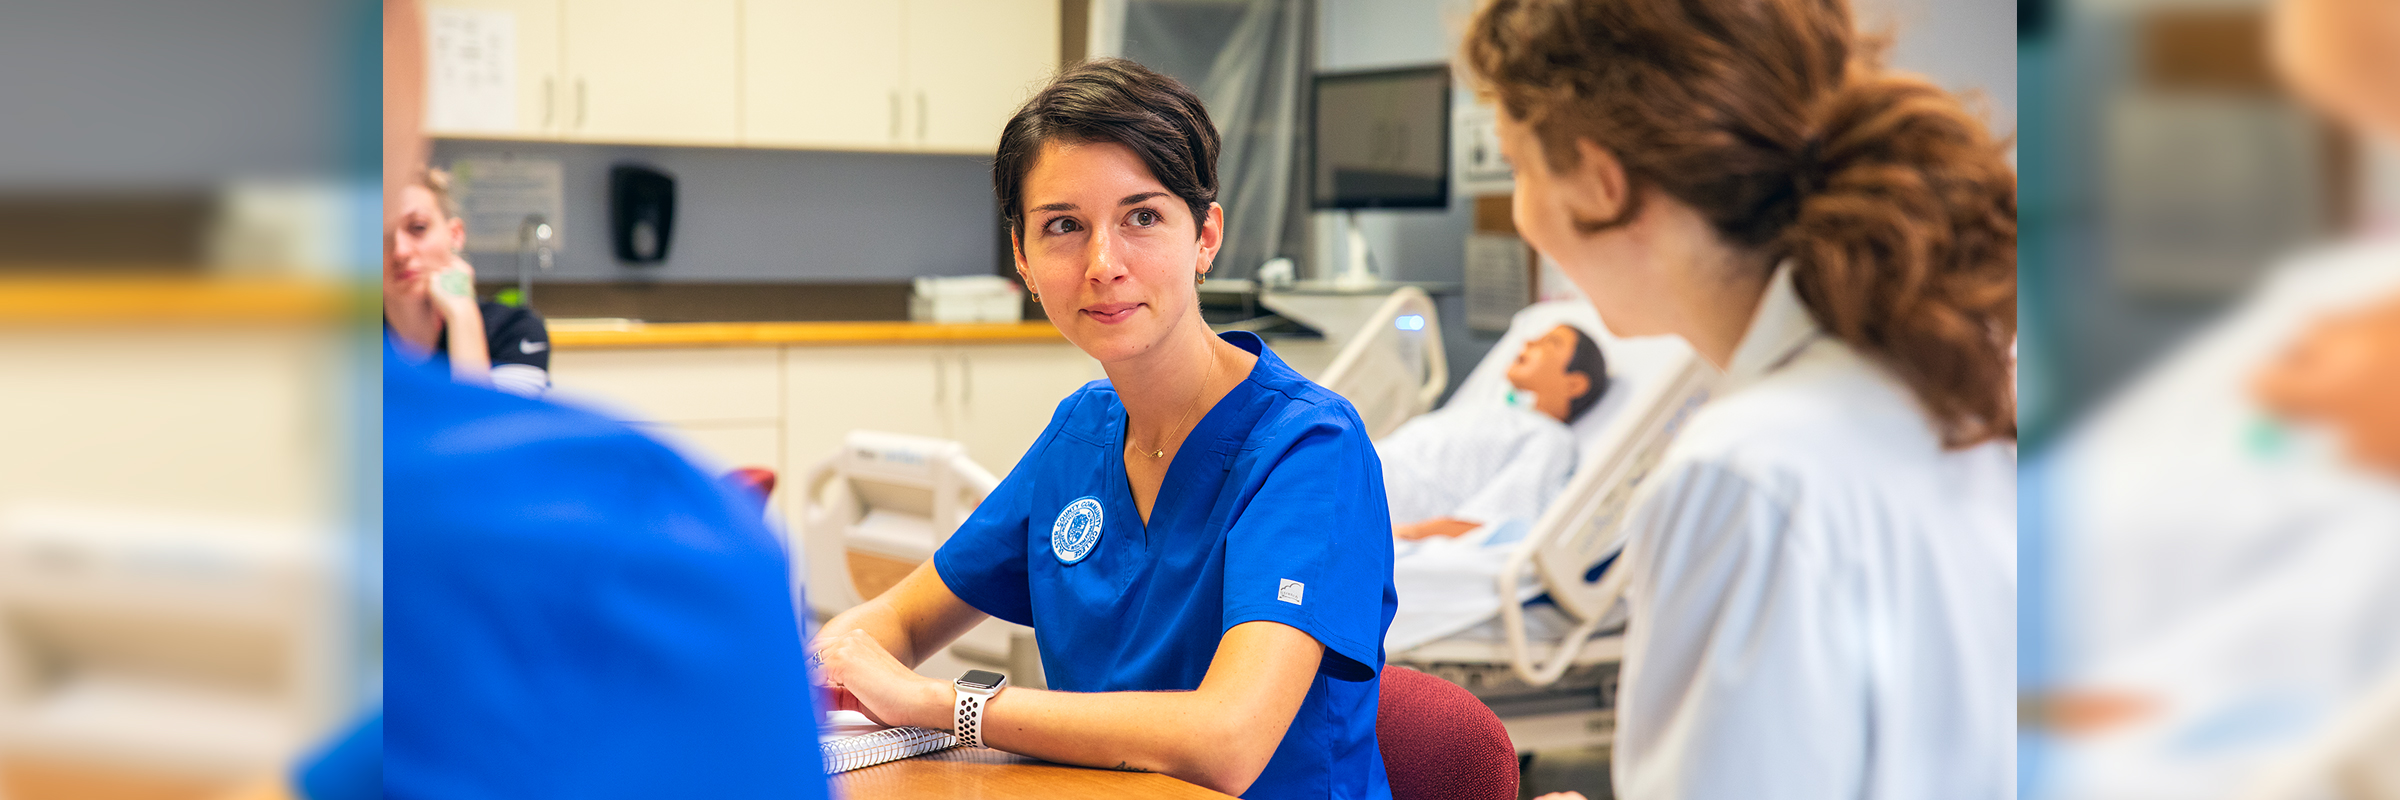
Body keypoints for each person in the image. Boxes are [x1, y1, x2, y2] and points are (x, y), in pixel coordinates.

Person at [1464, 0, 2018, 797]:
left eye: (1517, 165)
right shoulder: (1950, 390)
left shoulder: (1743, 474)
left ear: (1596, 182)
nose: (1520, 214)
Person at [807, 58, 1397, 799]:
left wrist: (943, 706)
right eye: (1063, 226)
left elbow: (1228, 741)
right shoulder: (1082, 433)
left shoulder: (1309, 450)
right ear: (1022, 256)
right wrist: (836, 658)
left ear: (1205, 236)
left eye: (1142, 217)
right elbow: (893, 622)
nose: (1103, 264)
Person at [1380, 323, 1608, 541]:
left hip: (1378, 495)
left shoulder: (1550, 438)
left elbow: (1495, 520)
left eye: (1551, 343)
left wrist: (1409, 535)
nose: (1528, 342)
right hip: (1372, 466)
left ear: (1574, 384)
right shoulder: (1491, 411)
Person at [384, 167, 552, 398]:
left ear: (454, 235)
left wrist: (462, 315)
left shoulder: (513, 330)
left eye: (418, 227)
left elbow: (490, 430)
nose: (400, 251)